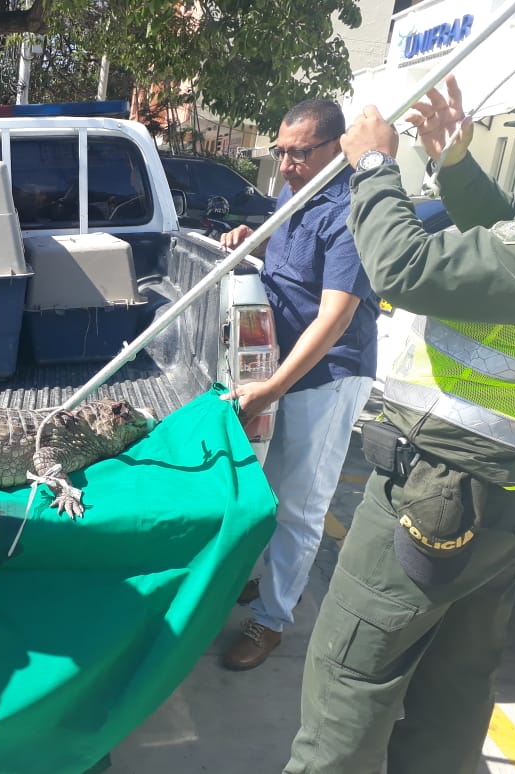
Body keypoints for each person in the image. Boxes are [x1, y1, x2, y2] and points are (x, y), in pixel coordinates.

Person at [284, 74, 515, 773]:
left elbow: (403, 266)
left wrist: (373, 166)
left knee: (353, 676)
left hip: (441, 486)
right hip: (509, 500)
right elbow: (503, 226)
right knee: (454, 687)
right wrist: (454, 161)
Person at [218, 100, 378, 670]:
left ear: (335, 145)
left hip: (326, 375)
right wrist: (252, 238)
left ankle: (272, 619)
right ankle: (263, 582)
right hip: (283, 368)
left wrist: (272, 389)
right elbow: (287, 256)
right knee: (267, 486)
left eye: (298, 152)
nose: (286, 164)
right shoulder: (295, 192)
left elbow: (333, 318)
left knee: (301, 504)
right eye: (280, 151)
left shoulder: (353, 210)